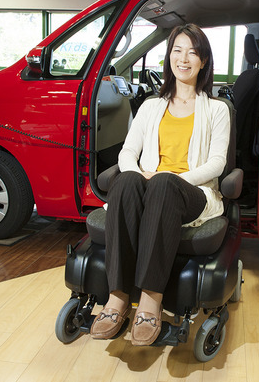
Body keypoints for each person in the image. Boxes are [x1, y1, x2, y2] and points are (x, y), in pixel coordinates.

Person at [89, 23, 230, 346]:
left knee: (164, 184)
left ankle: (151, 301)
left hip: (191, 192)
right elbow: (128, 152)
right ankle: (118, 298)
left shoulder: (217, 110)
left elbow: (217, 163)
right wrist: (136, 176)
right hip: (150, 187)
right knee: (125, 180)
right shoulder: (151, 106)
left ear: (203, 61)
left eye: (192, 52)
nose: (184, 58)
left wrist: (172, 179)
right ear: (169, 57)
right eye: (177, 50)